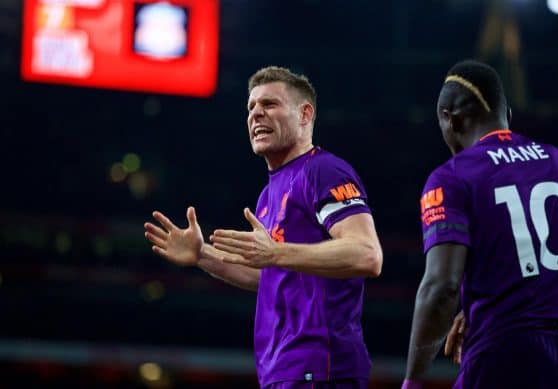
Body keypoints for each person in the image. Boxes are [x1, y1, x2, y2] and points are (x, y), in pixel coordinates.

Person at [144, 66, 383, 389]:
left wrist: (276, 251)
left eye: (269, 104)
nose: (256, 114)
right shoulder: (268, 194)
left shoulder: (324, 171)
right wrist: (202, 255)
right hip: (282, 368)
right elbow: (271, 276)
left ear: (304, 114)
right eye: (251, 107)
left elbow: (367, 254)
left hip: (320, 365)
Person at [402, 60, 558, 389]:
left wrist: (413, 379)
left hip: (507, 355)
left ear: (449, 119)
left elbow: (442, 287)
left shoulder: (451, 177)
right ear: (507, 113)